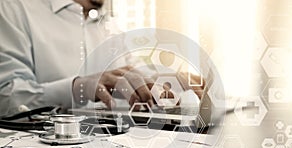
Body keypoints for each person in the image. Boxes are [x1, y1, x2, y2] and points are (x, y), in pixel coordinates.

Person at [0, 0, 204, 117]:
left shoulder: (108, 24)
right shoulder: (12, 8)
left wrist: (165, 78)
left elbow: (131, 72)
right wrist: (78, 87)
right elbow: (6, 98)